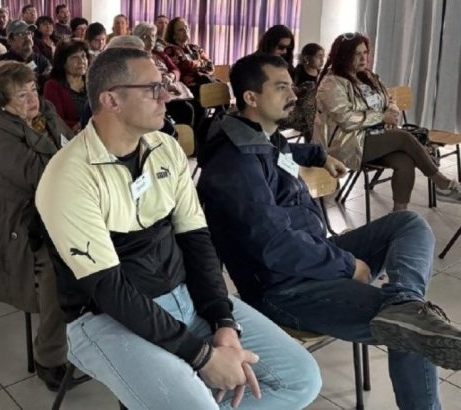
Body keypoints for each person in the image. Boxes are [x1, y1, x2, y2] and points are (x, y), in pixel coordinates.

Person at [36, 47, 321, 410]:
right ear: (111, 100)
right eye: (153, 89)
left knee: (301, 378)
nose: (167, 96)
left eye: (164, 85)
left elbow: (198, 241)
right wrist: (202, 356)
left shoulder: (165, 148)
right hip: (105, 318)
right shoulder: (68, 176)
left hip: (183, 294)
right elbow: (109, 289)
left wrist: (222, 319)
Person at [196, 52, 461, 410]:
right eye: (281, 87)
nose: (293, 94)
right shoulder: (235, 164)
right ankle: (404, 313)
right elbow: (276, 246)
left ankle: (405, 303)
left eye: (291, 85)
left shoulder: (260, 135)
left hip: (315, 255)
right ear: (251, 98)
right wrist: (347, 265)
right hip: (284, 288)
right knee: (411, 334)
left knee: (409, 224)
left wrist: (319, 155)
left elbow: (284, 152)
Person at [0, 61, 83, 391]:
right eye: (21, 95)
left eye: (33, 89)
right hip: (17, 222)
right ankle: (49, 357)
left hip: (58, 208)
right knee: (61, 272)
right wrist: (72, 159)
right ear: (2, 103)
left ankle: (95, 334)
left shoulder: (46, 113)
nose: (32, 99)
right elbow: (40, 174)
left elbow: (74, 149)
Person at [313, 32, 461, 210]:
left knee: (404, 161)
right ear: (343, 56)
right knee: (403, 137)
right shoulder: (331, 83)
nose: (363, 58)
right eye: (357, 54)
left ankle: (399, 215)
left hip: (373, 137)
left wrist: (391, 112)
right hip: (344, 144)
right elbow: (346, 119)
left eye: (365, 52)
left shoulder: (367, 76)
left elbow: (389, 100)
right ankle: (442, 183)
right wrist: (381, 117)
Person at [133, 22, 195, 126]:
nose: (152, 40)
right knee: (185, 110)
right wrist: (162, 80)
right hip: (154, 93)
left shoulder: (160, 54)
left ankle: (187, 135)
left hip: (171, 88)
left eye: (153, 36)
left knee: (189, 108)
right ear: (139, 39)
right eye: (147, 37)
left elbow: (176, 69)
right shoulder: (135, 57)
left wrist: (171, 76)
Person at [43, 40, 89, 132]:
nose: (81, 61)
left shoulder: (92, 80)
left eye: (83, 56)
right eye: (74, 58)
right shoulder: (52, 86)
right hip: (71, 135)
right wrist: (81, 125)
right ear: (63, 63)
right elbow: (55, 120)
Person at [0, 20, 51, 90]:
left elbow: (50, 74)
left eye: (29, 33)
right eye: (21, 34)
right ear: (10, 40)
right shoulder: (4, 62)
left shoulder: (39, 58)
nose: (27, 37)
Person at [164, 17, 215, 94]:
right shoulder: (170, 50)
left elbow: (210, 65)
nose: (185, 31)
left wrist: (197, 65)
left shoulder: (195, 47)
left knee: (216, 85)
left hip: (204, 81)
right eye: (181, 29)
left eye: (186, 27)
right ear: (173, 35)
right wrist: (201, 63)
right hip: (186, 88)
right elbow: (183, 66)